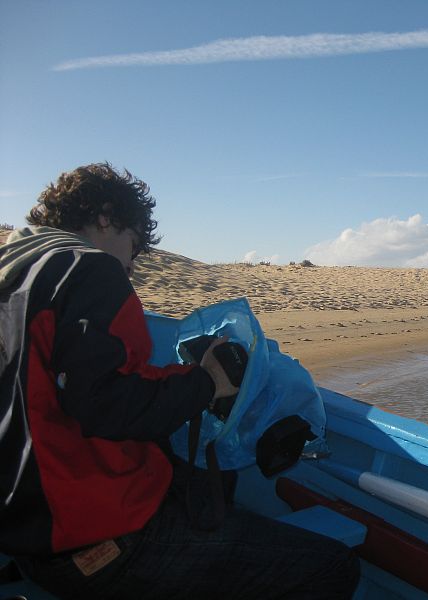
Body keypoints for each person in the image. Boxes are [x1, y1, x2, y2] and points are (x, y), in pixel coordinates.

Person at [0, 163, 359, 599]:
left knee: (209, 484)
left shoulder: (15, 269)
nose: (131, 267)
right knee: (331, 567)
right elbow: (106, 405)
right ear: (106, 217)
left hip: (24, 530)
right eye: (133, 247)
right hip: (96, 537)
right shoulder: (88, 269)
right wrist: (205, 384)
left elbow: (70, 380)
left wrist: (184, 378)